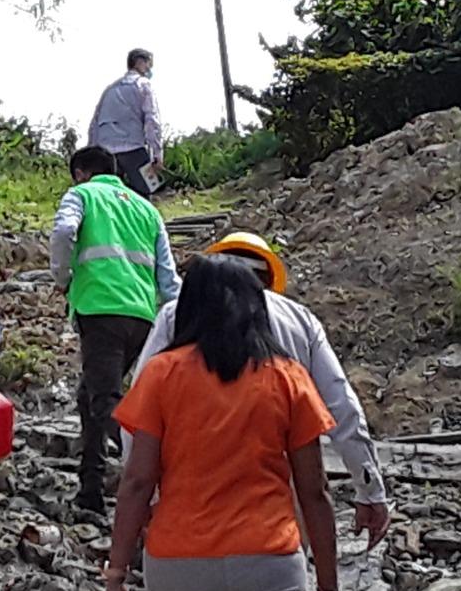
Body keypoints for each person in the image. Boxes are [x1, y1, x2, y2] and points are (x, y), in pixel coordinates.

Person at [106, 255, 345, 591]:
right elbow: (314, 491)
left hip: (177, 563)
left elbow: (136, 481)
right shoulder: (287, 378)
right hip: (267, 560)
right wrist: (329, 588)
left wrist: (116, 574)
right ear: (258, 307)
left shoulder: (161, 374)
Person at [124, 231, 391, 548]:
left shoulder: (175, 317)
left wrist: (144, 498)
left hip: (189, 501)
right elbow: (342, 408)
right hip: (276, 504)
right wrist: (370, 490)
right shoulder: (299, 320)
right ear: (267, 275)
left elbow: (139, 417)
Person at [50, 145, 181, 515]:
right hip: (142, 316)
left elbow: (63, 232)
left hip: (99, 310)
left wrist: (62, 276)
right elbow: (169, 278)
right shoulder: (146, 209)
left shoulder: (82, 195)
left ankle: (161, 470)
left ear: (80, 173)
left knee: (105, 401)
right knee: (89, 395)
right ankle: (90, 487)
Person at [88, 48, 163, 197]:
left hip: (106, 153)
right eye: (149, 65)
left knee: (112, 199)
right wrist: (157, 153)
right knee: (146, 193)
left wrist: (93, 154)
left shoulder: (109, 90)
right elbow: (152, 121)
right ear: (140, 62)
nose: (149, 69)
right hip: (134, 149)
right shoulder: (144, 85)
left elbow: (94, 125)